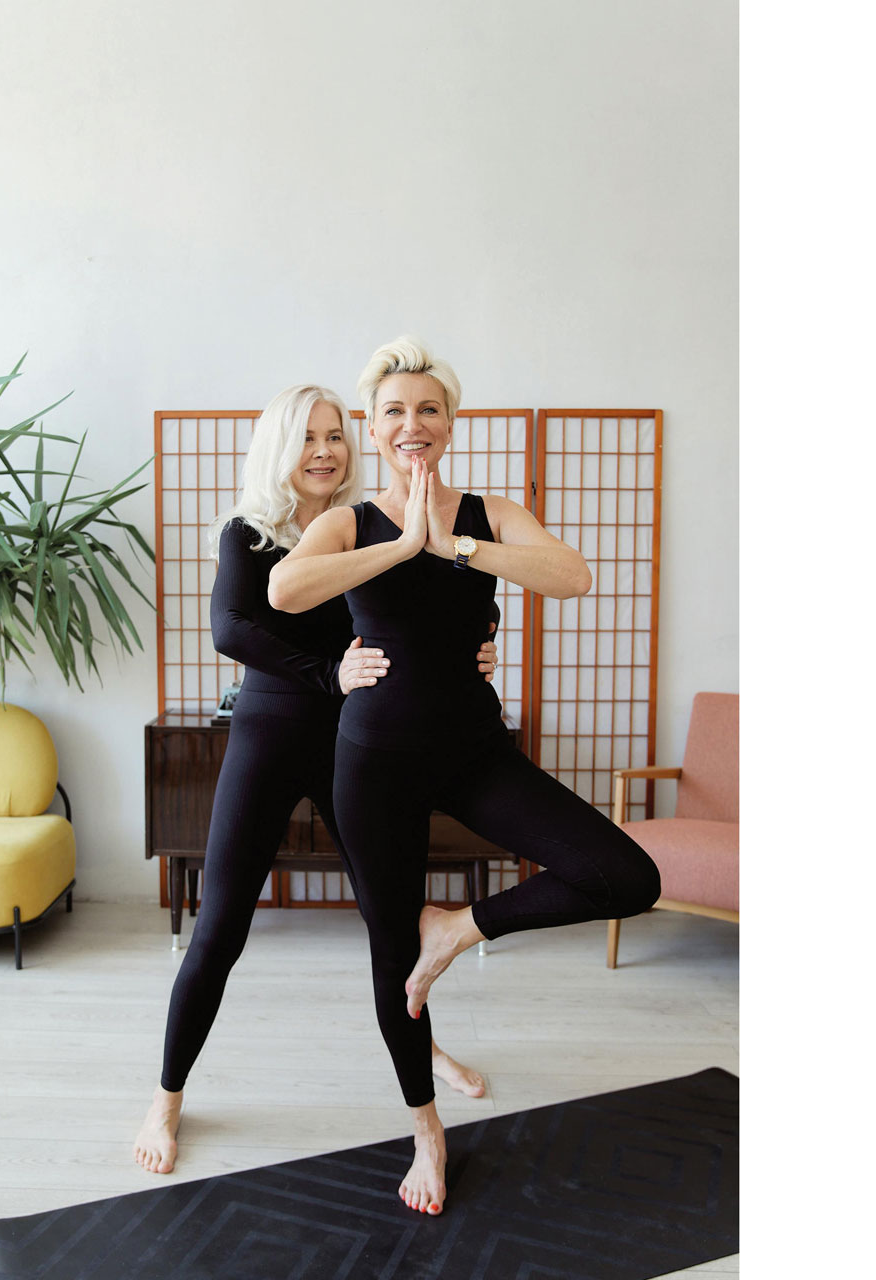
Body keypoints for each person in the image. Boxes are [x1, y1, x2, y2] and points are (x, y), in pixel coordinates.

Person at [268, 338, 662, 1216]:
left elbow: (572, 576)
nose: (414, 424)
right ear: (375, 429)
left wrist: (457, 547)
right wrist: (403, 542)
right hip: (372, 764)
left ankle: (458, 928)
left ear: (450, 423)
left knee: (626, 875)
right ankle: (425, 1129)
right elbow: (288, 593)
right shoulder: (350, 520)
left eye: (430, 409)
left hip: (474, 752)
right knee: (388, 955)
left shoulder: (490, 512)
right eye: (397, 412)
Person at [133, 383, 500, 1176]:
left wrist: (480, 642)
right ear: (281, 449)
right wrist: (325, 671)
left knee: (391, 921)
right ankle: (166, 1098)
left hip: (352, 746)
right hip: (268, 738)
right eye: (308, 438)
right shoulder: (250, 532)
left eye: (336, 435)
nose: (325, 451)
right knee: (220, 928)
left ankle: (423, 1055)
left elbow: (444, 598)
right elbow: (231, 626)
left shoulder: (364, 526)